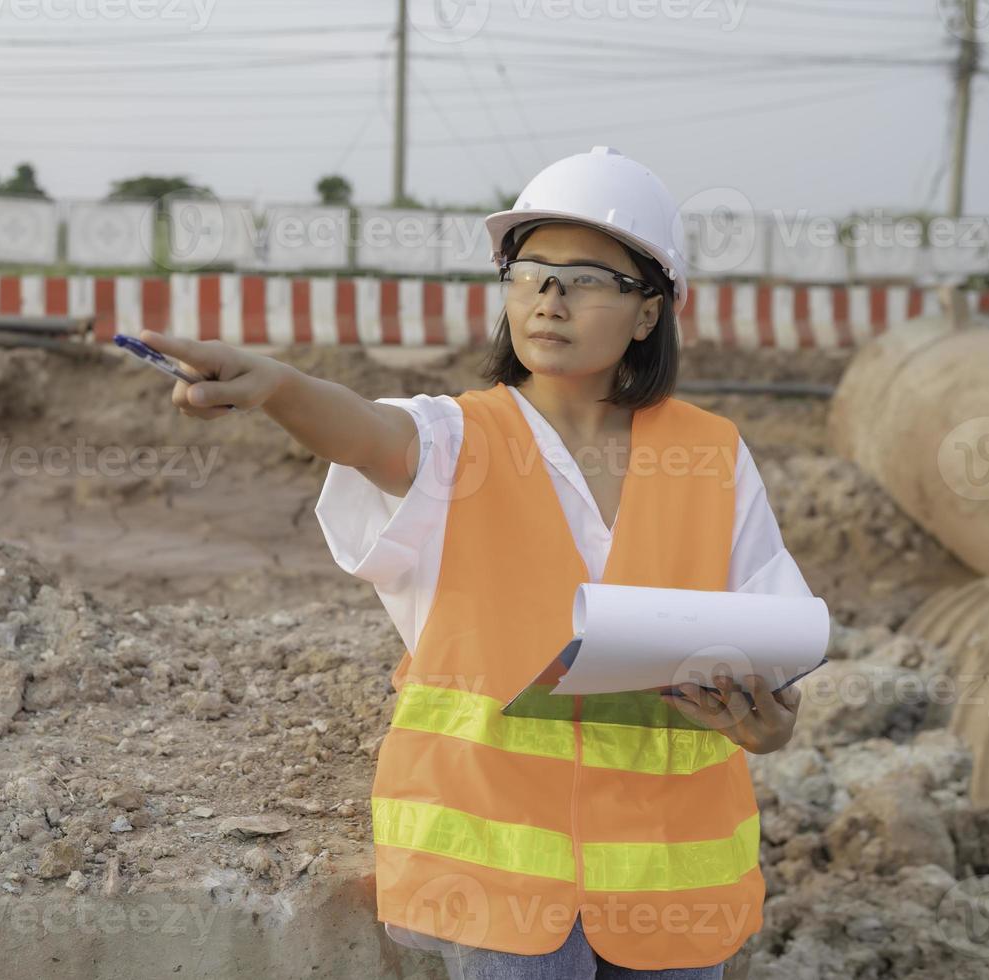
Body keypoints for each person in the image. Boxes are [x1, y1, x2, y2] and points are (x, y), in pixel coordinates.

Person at [137, 146, 809, 980]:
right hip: (500, 889)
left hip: (670, 883)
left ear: (648, 312)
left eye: (587, 278)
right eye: (528, 273)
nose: (549, 299)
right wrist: (278, 387)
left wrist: (771, 723)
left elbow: (773, 644)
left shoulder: (710, 453)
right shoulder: (458, 440)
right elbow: (370, 436)